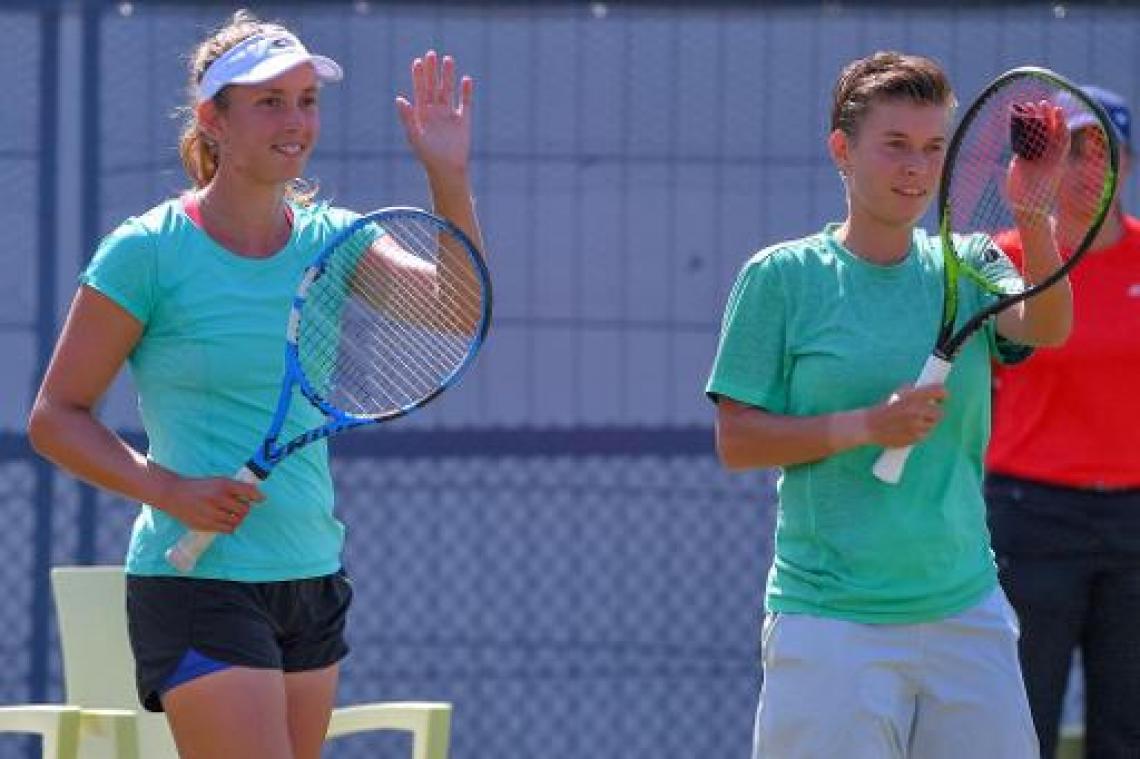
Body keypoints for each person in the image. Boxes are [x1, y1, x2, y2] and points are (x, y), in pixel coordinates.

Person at [26, 9, 482, 758]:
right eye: (269, 101)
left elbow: (456, 309)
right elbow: (56, 417)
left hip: (311, 574)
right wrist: (169, 490)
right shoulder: (146, 252)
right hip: (198, 584)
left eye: (307, 100)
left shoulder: (335, 239)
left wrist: (447, 176)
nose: (295, 121)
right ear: (214, 120)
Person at [706, 51, 1072, 758]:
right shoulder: (781, 278)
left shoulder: (971, 260)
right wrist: (868, 426)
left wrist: (1034, 217)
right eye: (895, 145)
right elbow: (738, 440)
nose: (917, 167)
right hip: (829, 622)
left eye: (934, 147)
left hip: (967, 613)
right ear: (842, 150)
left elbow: (1047, 327)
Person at [986, 85, 1140, 759]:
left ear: (1127, 165)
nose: (1087, 168)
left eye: (1103, 150)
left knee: (1126, 727)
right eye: (1070, 150)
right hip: (1031, 518)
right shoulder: (1001, 258)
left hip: (1134, 523)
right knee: (1022, 721)